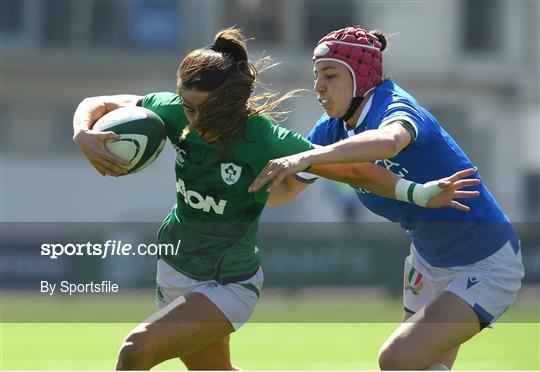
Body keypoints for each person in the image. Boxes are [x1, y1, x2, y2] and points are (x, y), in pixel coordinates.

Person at [73, 27, 479, 371]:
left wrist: (420, 193)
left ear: (230, 104)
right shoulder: (175, 109)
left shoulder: (264, 139)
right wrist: (82, 133)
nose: (190, 122)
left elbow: (355, 171)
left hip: (227, 282)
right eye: (185, 106)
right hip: (174, 267)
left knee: (135, 351)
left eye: (200, 111)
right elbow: (99, 104)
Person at [248, 27, 525, 370]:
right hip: (428, 260)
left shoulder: (395, 106)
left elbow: (390, 141)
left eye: (330, 75)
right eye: (316, 75)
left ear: (361, 78)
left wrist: (307, 157)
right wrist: (249, 164)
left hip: (485, 261)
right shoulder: (330, 130)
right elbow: (282, 193)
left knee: (396, 358)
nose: (318, 86)